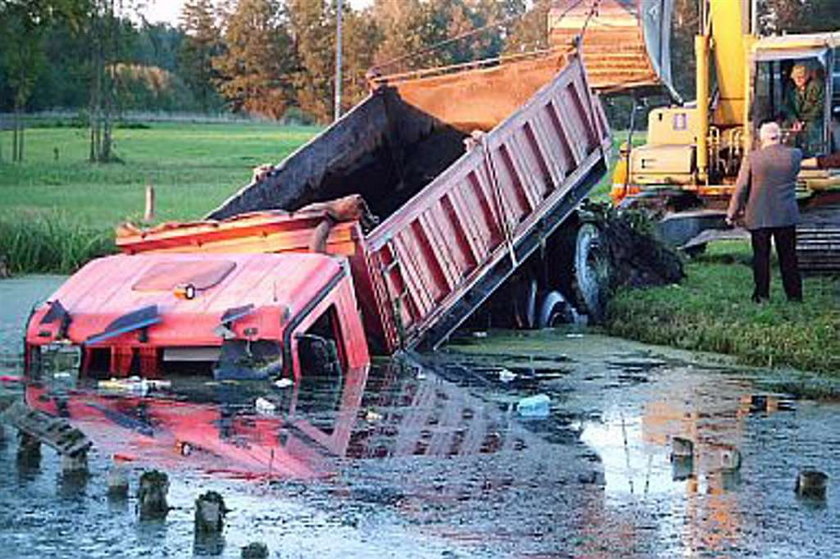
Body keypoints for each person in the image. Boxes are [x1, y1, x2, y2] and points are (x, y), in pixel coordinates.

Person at [726, 122, 802, 303]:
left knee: (761, 257)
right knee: (789, 257)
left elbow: (742, 188)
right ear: (780, 136)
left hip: (759, 215)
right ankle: (794, 295)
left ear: (762, 138)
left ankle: (761, 295)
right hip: (785, 215)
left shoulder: (752, 158)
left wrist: (732, 213)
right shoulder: (795, 155)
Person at [782, 63, 825, 155]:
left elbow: (819, 107)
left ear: (807, 76)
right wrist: (794, 120)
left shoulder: (817, 86)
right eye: (795, 77)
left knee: (812, 128)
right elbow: (787, 107)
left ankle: (813, 154)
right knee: (785, 128)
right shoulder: (790, 88)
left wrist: (803, 122)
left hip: (813, 120)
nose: (798, 79)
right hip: (796, 119)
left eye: (801, 76)